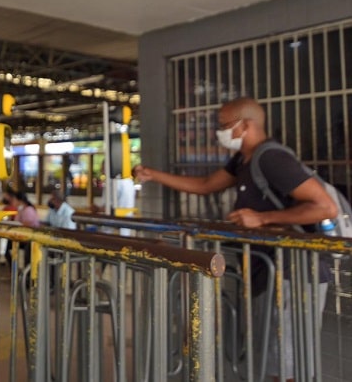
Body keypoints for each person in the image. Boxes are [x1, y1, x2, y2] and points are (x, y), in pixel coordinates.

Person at [133, 96, 335, 382]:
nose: (220, 132)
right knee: (274, 359)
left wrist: (262, 218)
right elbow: (206, 185)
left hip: (295, 273)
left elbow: (326, 207)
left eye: (224, 125)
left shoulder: (272, 159)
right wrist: (153, 175)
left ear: (246, 125)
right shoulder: (243, 160)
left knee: (286, 365)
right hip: (271, 271)